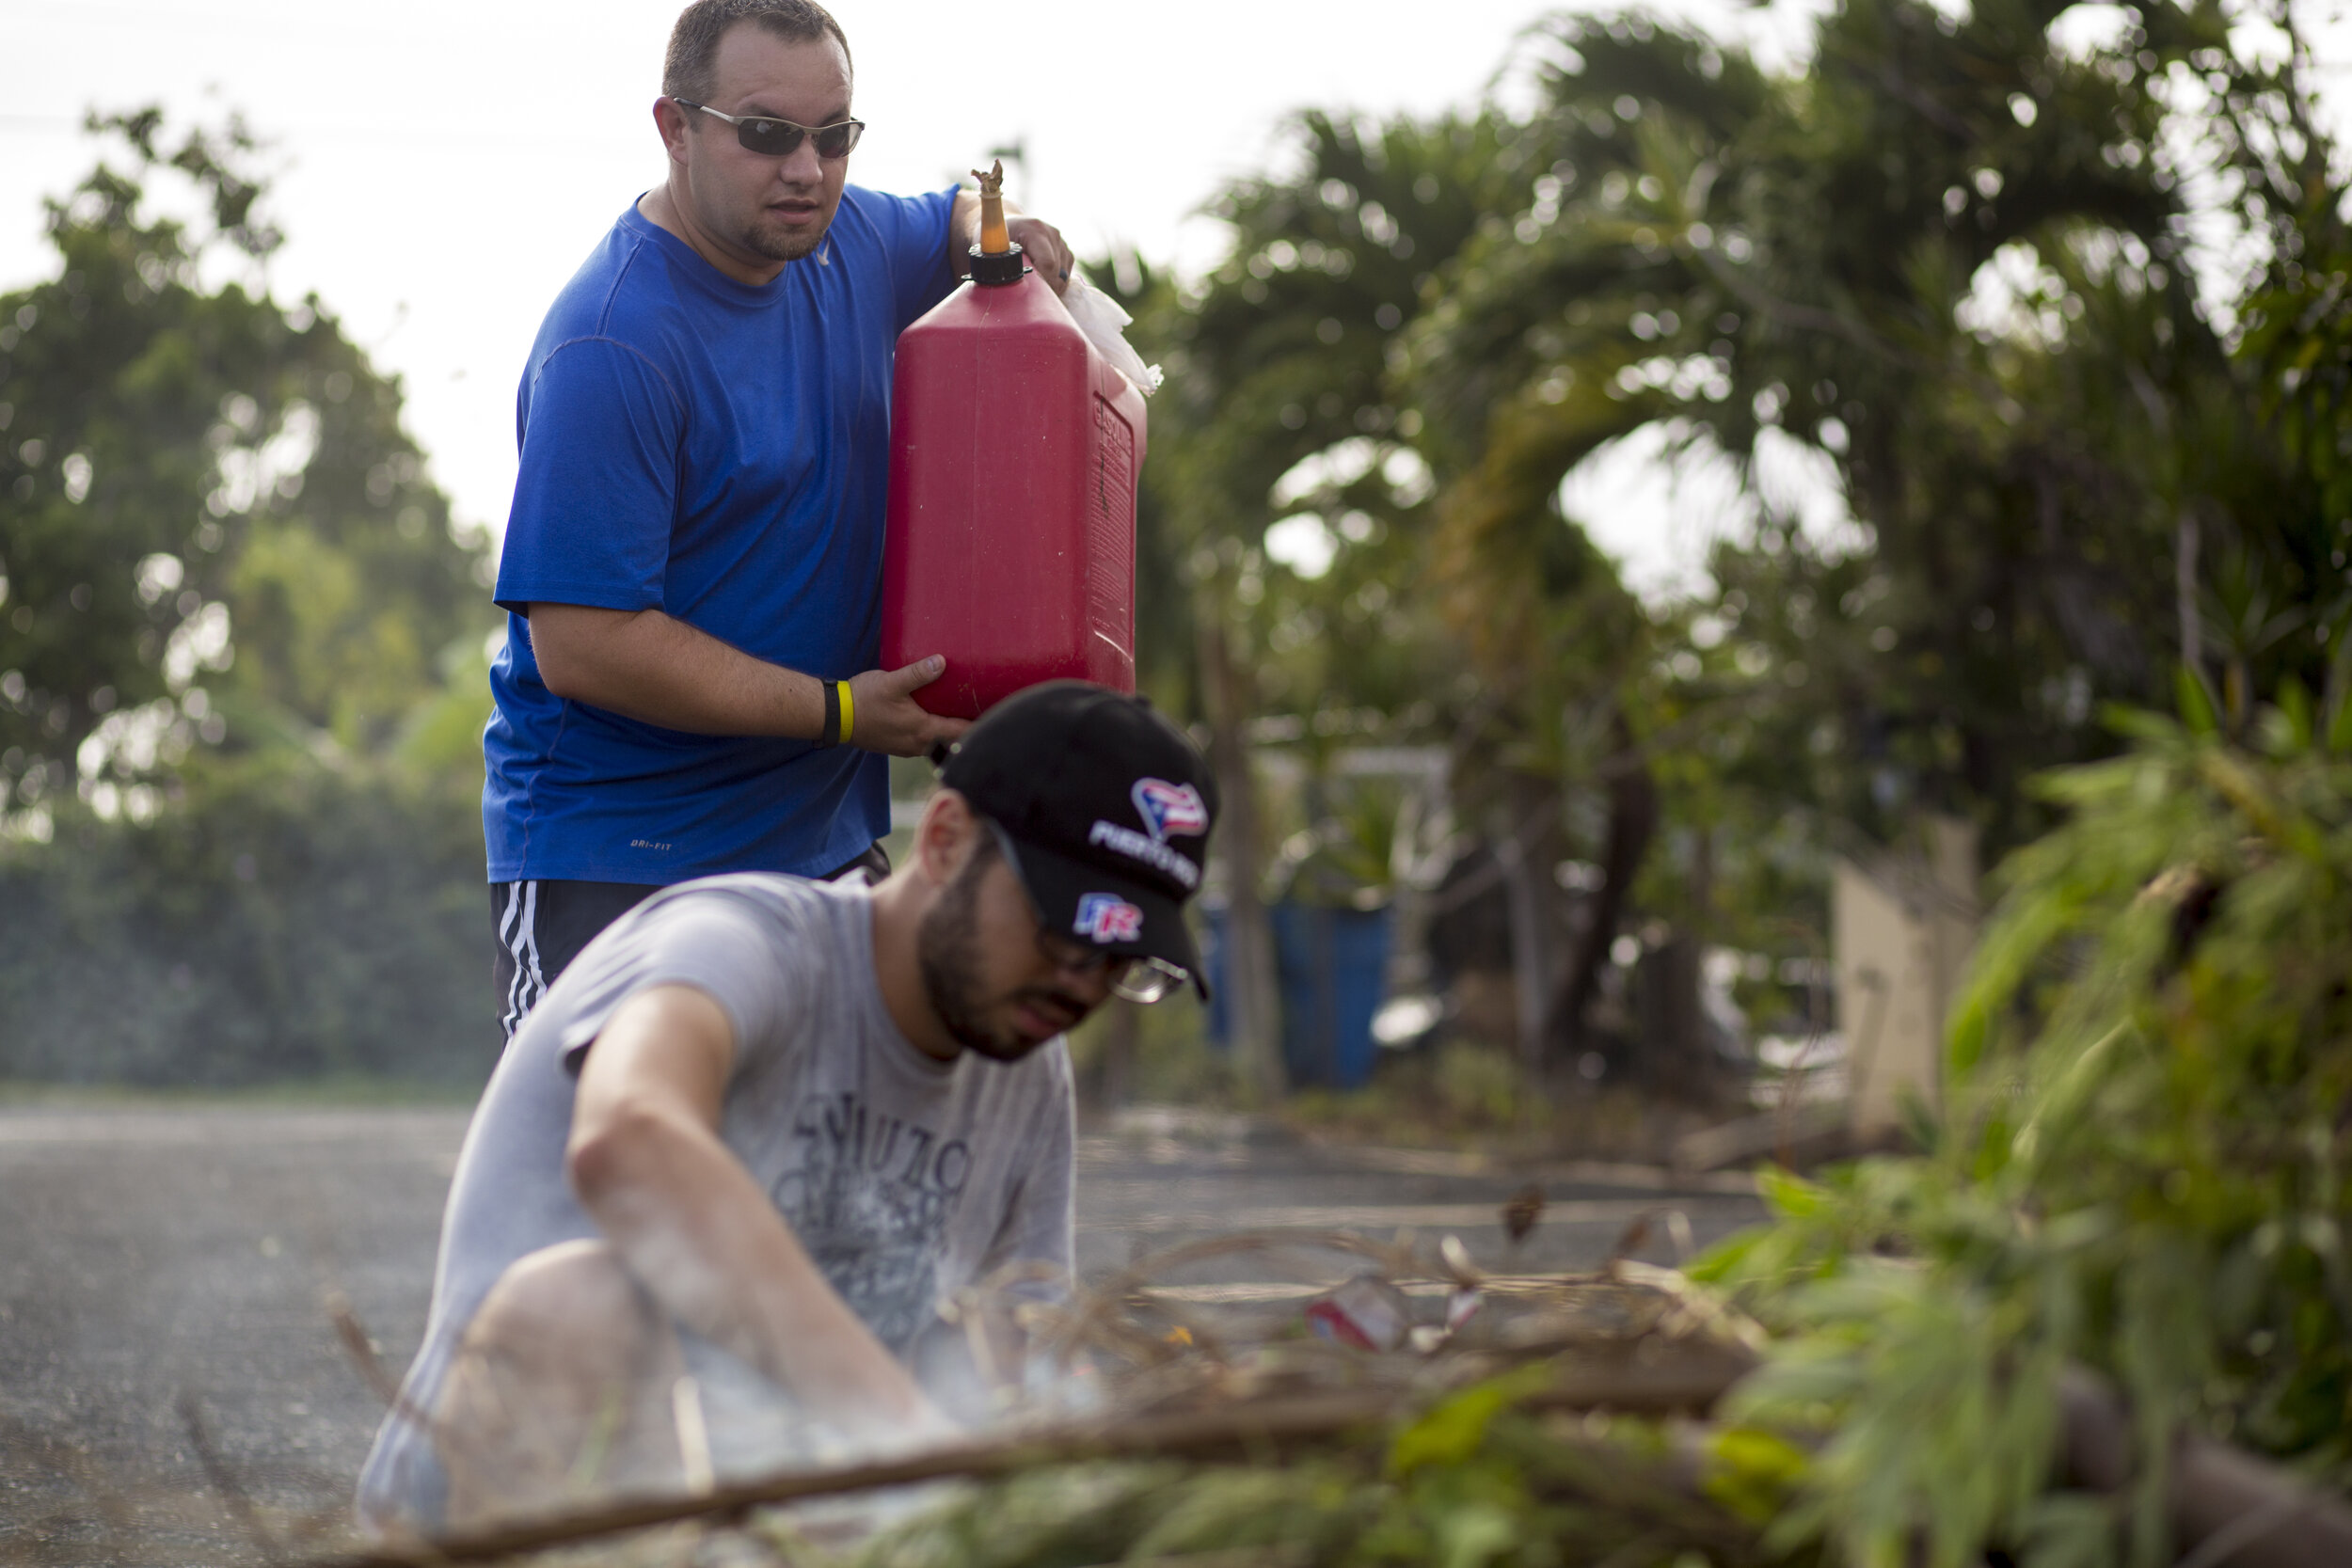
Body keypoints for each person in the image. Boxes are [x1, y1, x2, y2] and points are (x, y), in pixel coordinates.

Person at [358, 683, 1217, 1533]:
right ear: (947, 840)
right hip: (528, 1505)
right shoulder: (734, 943)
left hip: (773, 1525)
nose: (1083, 985)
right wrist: (901, 1438)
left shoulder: (1027, 1067)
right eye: (1065, 933)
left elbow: (1020, 1354)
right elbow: (628, 1141)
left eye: (1123, 962)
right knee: (577, 1302)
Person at [484, 0, 1080, 1037]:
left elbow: (947, 216)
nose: (806, 169)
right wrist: (841, 712)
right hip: (624, 864)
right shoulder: (611, 344)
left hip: (820, 849)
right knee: (634, 1141)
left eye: (833, 135)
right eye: (764, 134)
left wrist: (1001, 225)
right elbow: (583, 642)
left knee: (845, 1139)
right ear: (675, 128)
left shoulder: (847, 238)